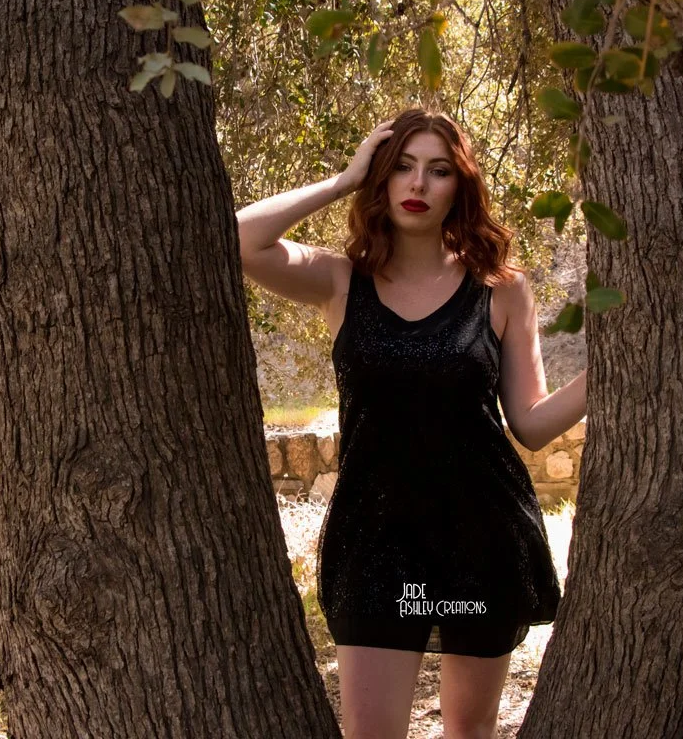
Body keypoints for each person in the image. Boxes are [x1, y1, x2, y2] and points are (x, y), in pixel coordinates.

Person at [236, 108, 588, 739]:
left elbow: (532, 424)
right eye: (401, 166)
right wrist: (344, 179)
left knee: (469, 732)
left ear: (460, 186)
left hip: (481, 538)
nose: (418, 184)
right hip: (374, 541)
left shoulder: (501, 288)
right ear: (381, 177)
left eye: (438, 170)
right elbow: (240, 239)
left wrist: (617, 364)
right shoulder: (340, 280)